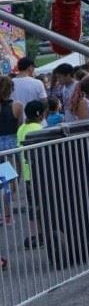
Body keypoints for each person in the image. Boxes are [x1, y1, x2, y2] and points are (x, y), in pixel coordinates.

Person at [16, 98, 45, 248]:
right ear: (40, 115)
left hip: (27, 175)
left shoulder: (21, 128)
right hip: (39, 174)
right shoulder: (38, 128)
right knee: (43, 205)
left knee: (33, 206)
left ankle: (35, 235)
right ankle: (43, 234)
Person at [0, 75, 22, 226]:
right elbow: (19, 124)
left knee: (2, 181)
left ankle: (4, 214)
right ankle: (7, 214)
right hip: (11, 147)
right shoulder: (17, 106)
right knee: (9, 182)